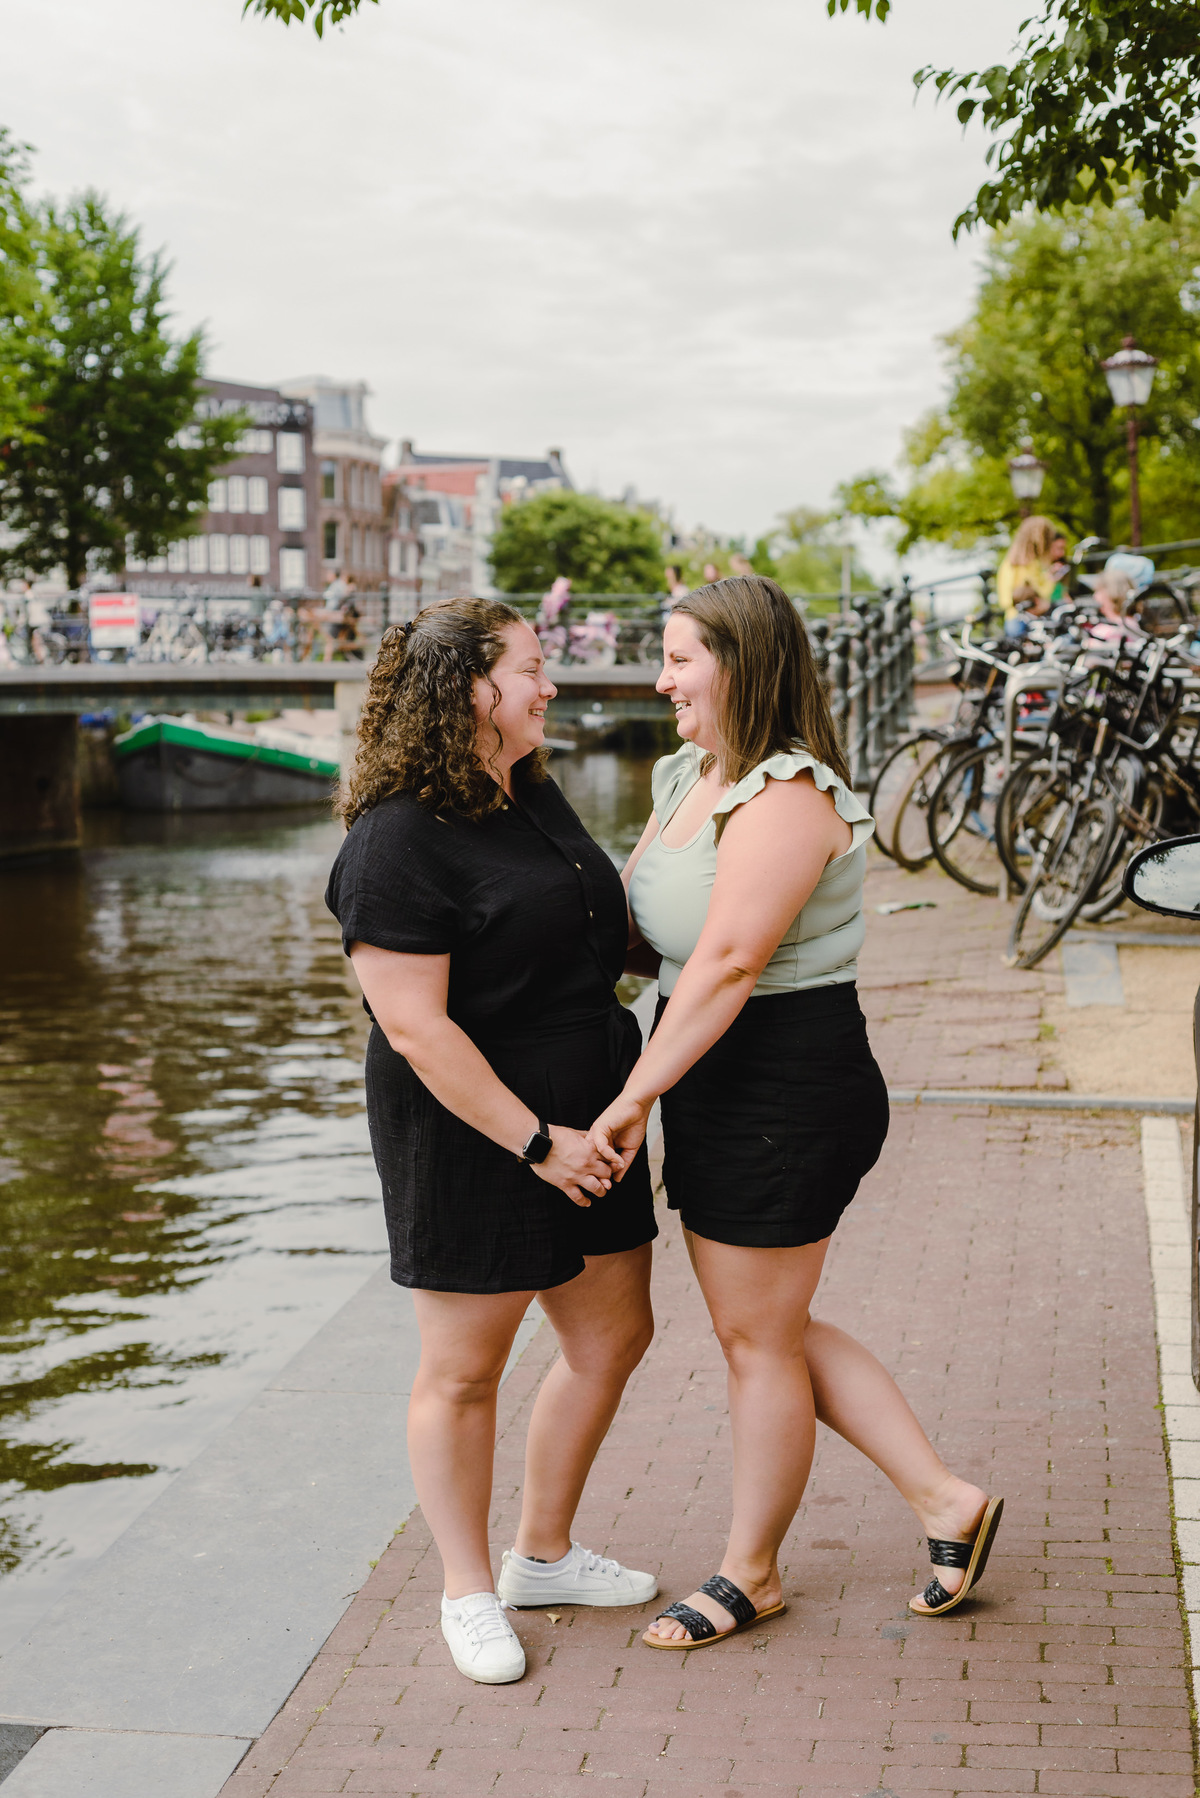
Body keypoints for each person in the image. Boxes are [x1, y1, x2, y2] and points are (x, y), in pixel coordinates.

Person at [588, 576, 1003, 1649]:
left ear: (743, 664)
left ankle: (750, 1572)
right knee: (767, 1328)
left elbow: (726, 962)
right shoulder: (691, 771)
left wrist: (636, 1094)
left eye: (681, 658)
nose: (660, 677)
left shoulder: (788, 795)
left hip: (783, 1078)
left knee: (757, 1340)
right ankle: (944, 1499)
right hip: (716, 1071)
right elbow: (648, 930)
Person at [324, 597, 659, 1687]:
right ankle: (467, 1590)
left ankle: (542, 1556)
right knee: (464, 1372)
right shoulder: (395, 837)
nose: (548, 684)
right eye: (529, 668)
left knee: (611, 1335)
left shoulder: (530, 788)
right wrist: (536, 1143)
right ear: (469, 690)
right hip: (475, 1126)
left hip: (589, 1096)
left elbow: (595, 923)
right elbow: (416, 1027)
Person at [997, 516, 1063, 634]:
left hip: (1011, 618)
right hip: (1028, 620)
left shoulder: (1009, 563)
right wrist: (1052, 579)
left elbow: (1004, 599)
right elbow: (1042, 593)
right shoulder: (1031, 564)